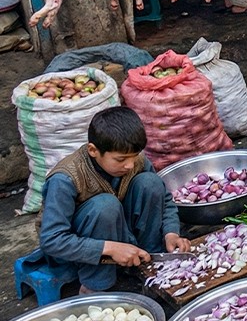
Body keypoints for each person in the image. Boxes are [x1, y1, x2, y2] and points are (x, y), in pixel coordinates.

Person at [38, 106, 190, 294]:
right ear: (93, 150)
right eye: (120, 159)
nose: (129, 165)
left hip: (122, 233)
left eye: (134, 157)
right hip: (78, 251)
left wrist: (171, 233)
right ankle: (95, 286)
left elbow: (165, 200)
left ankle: (149, 262)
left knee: (150, 183)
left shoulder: (135, 161)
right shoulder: (65, 179)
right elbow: (52, 240)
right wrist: (109, 248)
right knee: (104, 206)